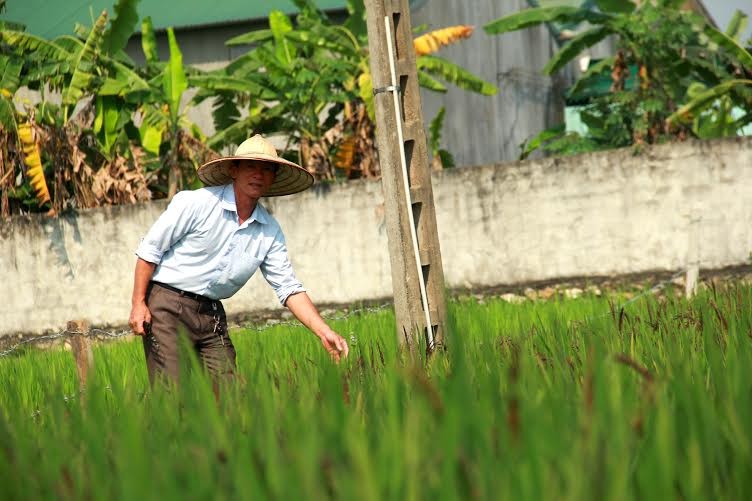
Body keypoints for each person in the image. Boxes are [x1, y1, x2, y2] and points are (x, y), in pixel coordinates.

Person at [128, 134, 349, 384]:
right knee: (171, 395)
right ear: (234, 169)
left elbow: (288, 288)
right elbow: (150, 251)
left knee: (229, 396)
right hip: (167, 306)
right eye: (251, 166)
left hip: (211, 314)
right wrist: (138, 303)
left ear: (273, 178)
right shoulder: (196, 203)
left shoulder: (269, 230)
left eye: (267, 169)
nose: (259, 174)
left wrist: (323, 331)